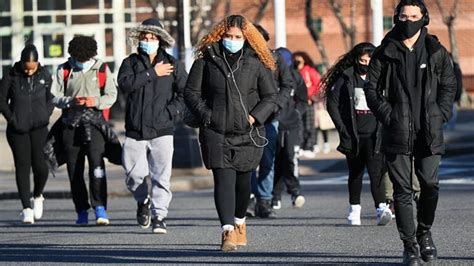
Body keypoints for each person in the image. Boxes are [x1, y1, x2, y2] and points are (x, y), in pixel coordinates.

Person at [364, 0, 457, 264]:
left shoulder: (435, 50)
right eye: (404, 16)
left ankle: (424, 233)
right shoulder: (385, 51)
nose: (408, 21)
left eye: (414, 16)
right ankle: (409, 246)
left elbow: (450, 84)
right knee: (403, 191)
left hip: (429, 129)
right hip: (397, 129)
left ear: (424, 18)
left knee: (429, 185)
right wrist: (387, 114)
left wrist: (441, 113)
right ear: (396, 18)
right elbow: (371, 88)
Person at [184, 15, 277, 251]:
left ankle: (239, 222)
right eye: (228, 36)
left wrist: (254, 117)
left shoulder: (256, 61)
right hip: (216, 131)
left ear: (246, 38)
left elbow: (270, 97)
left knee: (243, 183)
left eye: (237, 37)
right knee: (223, 179)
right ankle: (227, 231)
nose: (232, 40)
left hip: (248, 132)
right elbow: (191, 93)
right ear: (219, 35)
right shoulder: (206, 60)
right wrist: (208, 115)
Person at [118, 18, 187, 234]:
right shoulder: (130, 62)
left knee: (161, 176)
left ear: (160, 40)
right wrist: (152, 73)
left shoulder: (173, 65)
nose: (148, 41)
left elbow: (185, 93)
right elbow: (125, 84)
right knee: (133, 175)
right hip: (135, 129)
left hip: (162, 129)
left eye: (153, 38)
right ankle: (142, 201)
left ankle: (159, 216)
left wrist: (171, 112)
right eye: (145, 37)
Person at [324, 42, 392, 226]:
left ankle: (381, 208)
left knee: (376, 172)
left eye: (369, 60)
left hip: (375, 134)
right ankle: (354, 209)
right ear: (356, 60)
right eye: (362, 60)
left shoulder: (380, 78)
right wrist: (342, 128)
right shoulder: (346, 78)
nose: (365, 64)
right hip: (353, 135)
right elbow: (332, 104)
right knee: (355, 173)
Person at [52, 36, 117, 226]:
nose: (82, 63)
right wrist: (70, 101)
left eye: (85, 59)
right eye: (78, 59)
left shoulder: (102, 68)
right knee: (75, 170)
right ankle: (81, 210)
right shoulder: (63, 69)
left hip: (95, 123)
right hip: (71, 124)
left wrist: (94, 101)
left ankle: (100, 207)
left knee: (97, 167)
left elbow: (111, 95)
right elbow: (54, 96)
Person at [0, 44, 54, 224]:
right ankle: (26, 208)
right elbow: (1, 99)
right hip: (17, 130)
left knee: (41, 167)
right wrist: (12, 118)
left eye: (32, 68)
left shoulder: (45, 75)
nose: (29, 71)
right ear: (22, 62)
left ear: (37, 63)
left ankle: (38, 195)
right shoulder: (11, 75)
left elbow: (51, 97)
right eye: (26, 67)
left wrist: (45, 114)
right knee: (22, 167)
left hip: (39, 127)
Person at [246, 24, 293, 219]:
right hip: (246, 118)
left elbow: (287, 85)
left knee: (267, 160)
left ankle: (264, 201)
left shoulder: (276, 59)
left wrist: (276, 105)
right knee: (246, 160)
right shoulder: (242, 60)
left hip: (269, 117)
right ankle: (248, 199)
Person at [271, 47, 308, 210]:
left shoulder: (295, 77)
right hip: (273, 123)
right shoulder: (269, 76)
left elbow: (303, 99)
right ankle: (275, 196)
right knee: (277, 159)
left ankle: (295, 192)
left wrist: (296, 112)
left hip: (292, 124)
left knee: (290, 158)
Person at [293, 51, 328, 156]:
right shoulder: (293, 72)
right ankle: (300, 145)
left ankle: (309, 146)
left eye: (299, 59)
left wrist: (309, 96)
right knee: (299, 125)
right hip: (296, 102)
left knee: (309, 124)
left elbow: (317, 85)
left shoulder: (309, 71)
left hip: (308, 102)